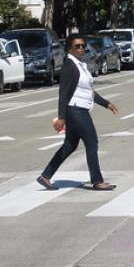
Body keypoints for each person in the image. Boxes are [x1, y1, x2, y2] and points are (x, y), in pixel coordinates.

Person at [37, 34, 119, 191]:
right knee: (92, 142)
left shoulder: (80, 64)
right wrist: (61, 117)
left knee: (69, 145)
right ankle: (97, 181)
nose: (81, 48)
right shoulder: (69, 65)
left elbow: (87, 91)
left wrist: (106, 103)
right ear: (69, 48)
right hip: (75, 110)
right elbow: (64, 92)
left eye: (83, 46)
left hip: (78, 108)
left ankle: (45, 176)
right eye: (77, 46)